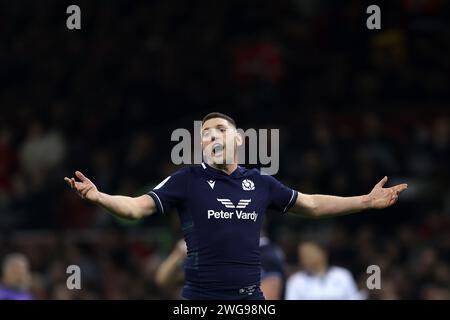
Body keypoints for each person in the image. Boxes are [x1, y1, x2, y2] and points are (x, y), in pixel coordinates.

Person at [64, 112, 408, 300]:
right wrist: (100, 197)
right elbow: (137, 208)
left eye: (218, 131)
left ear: (238, 139)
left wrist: (364, 201)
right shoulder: (187, 180)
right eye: (206, 135)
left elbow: (313, 204)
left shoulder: (260, 182)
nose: (211, 137)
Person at [286, 241, 363, 300]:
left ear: (323, 253)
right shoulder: (296, 281)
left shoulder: (342, 275)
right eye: (302, 255)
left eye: (309, 253)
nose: (305, 258)